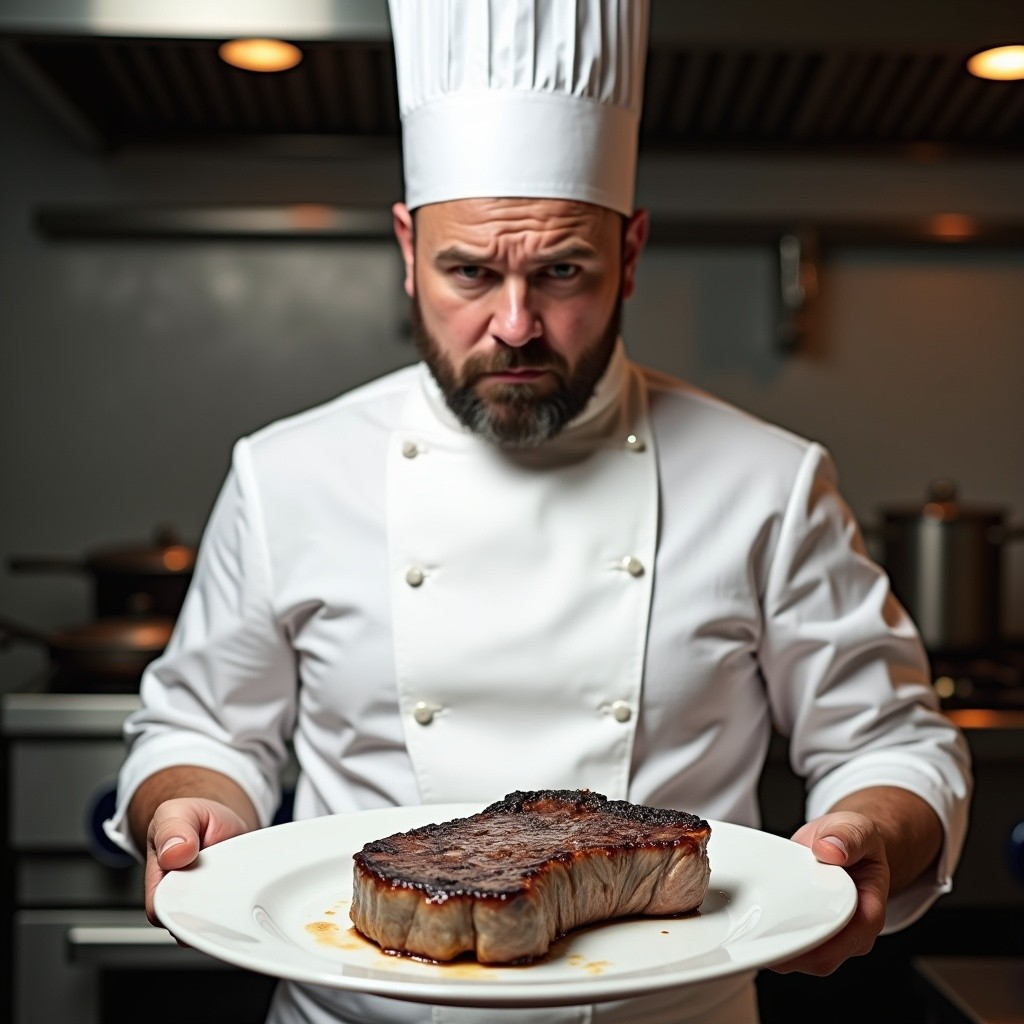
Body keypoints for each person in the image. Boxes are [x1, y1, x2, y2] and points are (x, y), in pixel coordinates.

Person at [104, 2, 972, 1022]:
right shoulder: (285, 472)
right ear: (405, 245)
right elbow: (204, 725)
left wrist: (864, 832)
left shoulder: (767, 481)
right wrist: (189, 806)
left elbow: (889, 743)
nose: (514, 325)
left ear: (632, 251)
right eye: (469, 272)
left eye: (562, 271)